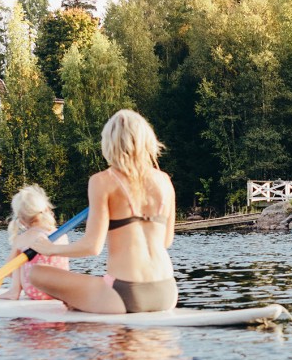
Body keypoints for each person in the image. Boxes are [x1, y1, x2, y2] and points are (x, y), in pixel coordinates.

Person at [23, 109, 177, 314]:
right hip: (166, 291)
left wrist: (49, 249)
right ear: (147, 140)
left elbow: (92, 246)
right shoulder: (165, 181)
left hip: (126, 294)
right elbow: (166, 241)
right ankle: (84, 300)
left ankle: (81, 301)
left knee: (37, 274)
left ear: (109, 143)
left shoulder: (102, 181)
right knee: (98, 282)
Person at [0, 185, 69, 301]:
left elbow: (8, 269)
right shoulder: (61, 234)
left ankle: (14, 290)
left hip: (36, 291)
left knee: (17, 260)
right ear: (46, 209)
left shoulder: (23, 239)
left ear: (21, 219)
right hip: (60, 290)